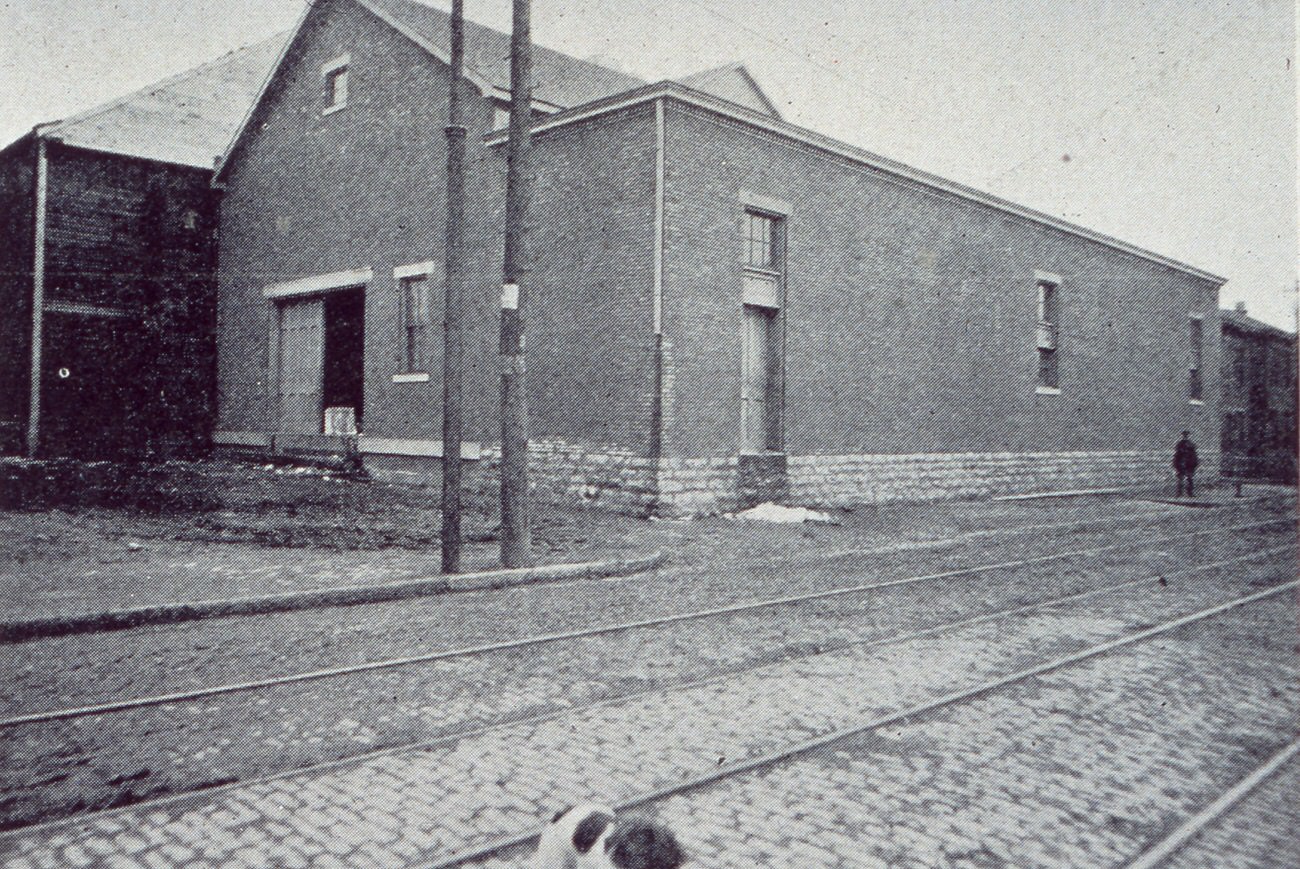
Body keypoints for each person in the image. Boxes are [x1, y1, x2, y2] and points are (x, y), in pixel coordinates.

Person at [1173, 430, 1199, 498]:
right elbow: (1177, 455)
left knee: (1189, 479)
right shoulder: (1180, 444)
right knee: (1181, 479)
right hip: (1182, 464)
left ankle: (1189, 493)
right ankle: (1180, 493)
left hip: (1189, 464)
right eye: (1185, 435)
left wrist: (1195, 463)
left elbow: (1194, 455)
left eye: (1187, 435)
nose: (1186, 436)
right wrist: (1177, 464)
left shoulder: (1191, 444)